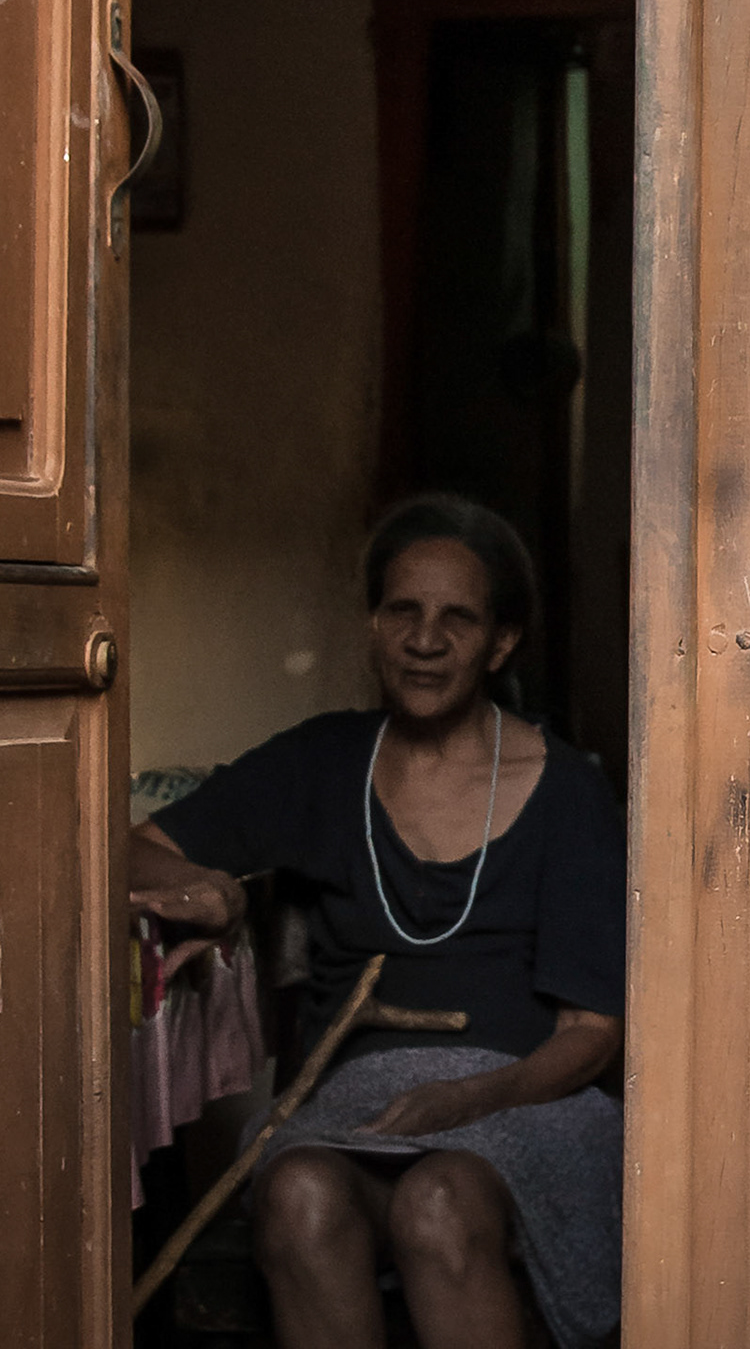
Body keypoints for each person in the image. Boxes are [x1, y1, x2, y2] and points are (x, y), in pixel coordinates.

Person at [129, 496, 625, 1349]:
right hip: (357, 1102)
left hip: (527, 1100)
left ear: (500, 643)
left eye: (457, 619)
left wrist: (466, 1098)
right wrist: (211, 891)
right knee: (298, 1196)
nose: (425, 641)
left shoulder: (568, 789)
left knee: (439, 1205)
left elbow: (592, 1033)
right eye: (403, 610)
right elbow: (133, 848)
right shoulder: (323, 762)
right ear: (373, 623)